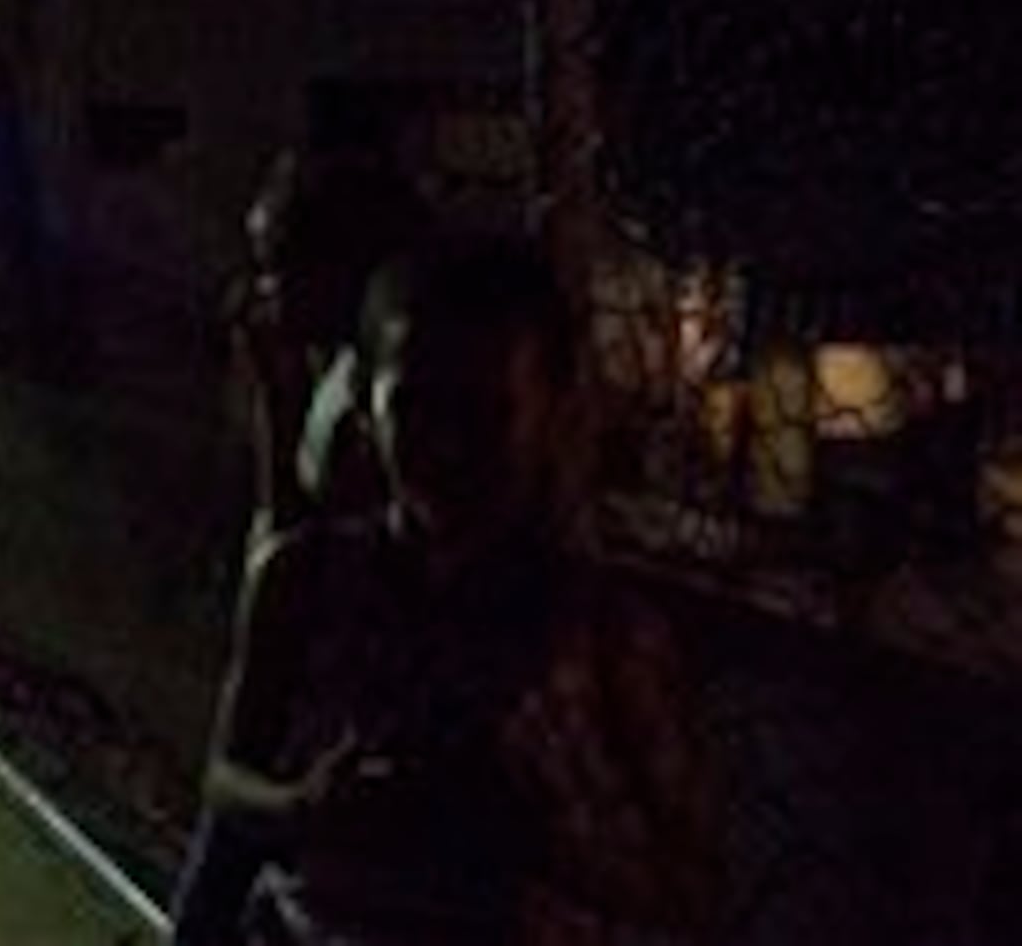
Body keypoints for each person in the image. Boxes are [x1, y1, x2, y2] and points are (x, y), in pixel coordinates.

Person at [179, 236, 723, 946]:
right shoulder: (304, 579)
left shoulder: (605, 636)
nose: (445, 444)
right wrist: (303, 808)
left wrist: (525, 841)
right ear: (367, 401)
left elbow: (693, 893)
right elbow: (226, 783)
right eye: (416, 407)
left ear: (553, 409)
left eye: (484, 413)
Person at [168, 146, 436, 937]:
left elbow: (292, 535)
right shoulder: (337, 375)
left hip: (333, 691)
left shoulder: (376, 411)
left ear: (337, 268)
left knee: (230, 870)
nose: (258, 290)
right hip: (294, 674)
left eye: (276, 267)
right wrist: (272, 393)